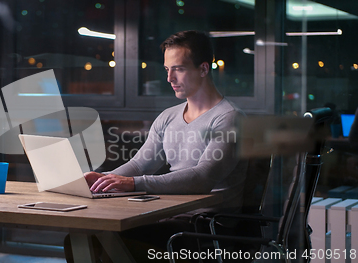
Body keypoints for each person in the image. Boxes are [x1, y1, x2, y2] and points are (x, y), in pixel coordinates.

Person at [65, 30, 248, 263]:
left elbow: (204, 177)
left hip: (206, 228)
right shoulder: (168, 117)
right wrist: (104, 179)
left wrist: (132, 183)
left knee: (105, 241)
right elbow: (141, 163)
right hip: (170, 216)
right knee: (81, 239)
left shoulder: (228, 118)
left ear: (203, 69)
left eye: (178, 69)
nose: (169, 78)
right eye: (166, 69)